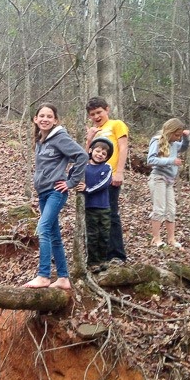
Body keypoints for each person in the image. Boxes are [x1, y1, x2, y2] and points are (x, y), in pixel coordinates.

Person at [23, 103, 88, 290]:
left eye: (49, 116)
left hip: (56, 192)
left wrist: (70, 182)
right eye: (41, 116)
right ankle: (63, 278)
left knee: (42, 228)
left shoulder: (60, 138)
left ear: (55, 120)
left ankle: (43, 276)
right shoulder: (41, 140)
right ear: (35, 119)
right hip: (43, 192)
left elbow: (82, 156)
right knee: (53, 235)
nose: (45, 119)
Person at [85, 96, 129, 264]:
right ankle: (97, 256)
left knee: (110, 214)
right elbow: (85, 155)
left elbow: (123, 147)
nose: (96, 116)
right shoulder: (93, 130)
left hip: (109, 177)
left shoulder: (116, 125)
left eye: (99, 112)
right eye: (92, 114)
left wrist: (119, 172)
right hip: (92, 178)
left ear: (107, 110)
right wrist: (89, 138)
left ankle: (117, 254)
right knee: (93, 217)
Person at [147, 118, 190, 249]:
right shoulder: (157, 141)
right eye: (176, 135)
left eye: (179, 136)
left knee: (171, 210)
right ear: (169, 131)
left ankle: (171, 239)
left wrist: (186, 138)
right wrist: (170, 161)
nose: (178, 138)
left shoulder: (175, 144)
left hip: (169, 181)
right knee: (159, 209)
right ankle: (156, 238)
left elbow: (183, 147)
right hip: (158, 178)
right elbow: (150, 160)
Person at [76, 137, 113, 272]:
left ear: (107, 157)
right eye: (97, 151)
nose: (100, 155)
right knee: (92, 235)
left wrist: (88, 189)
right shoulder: (84, 167)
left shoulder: (107, 167)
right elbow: (72, 176)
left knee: (104, 234)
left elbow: (105, 183)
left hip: (104, 207)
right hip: (89, 207)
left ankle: (103, 259)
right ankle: (93, 262)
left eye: (104, 154)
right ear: (91, 151)